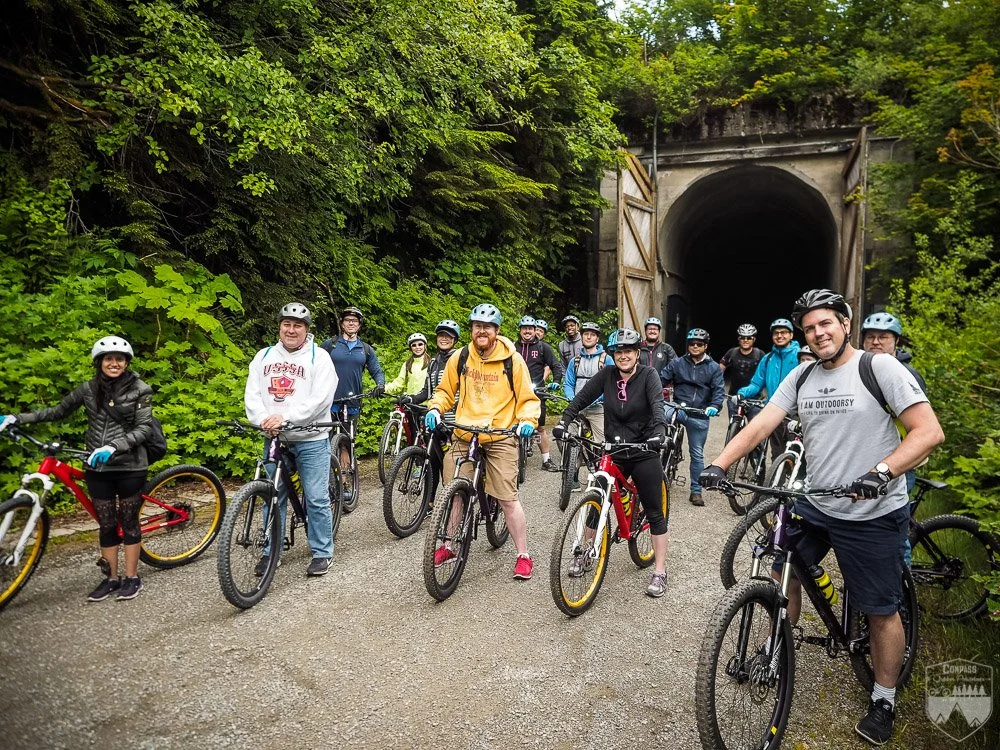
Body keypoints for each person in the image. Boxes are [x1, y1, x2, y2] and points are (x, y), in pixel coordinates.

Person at [700, 289, 944, 746]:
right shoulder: (802, 374)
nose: (818, 333)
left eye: (826, 324)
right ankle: (777, 650)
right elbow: (761, 425)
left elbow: (928, 431)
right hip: (819, 500)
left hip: (871, 509)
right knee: (780, 572)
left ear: (845, 325)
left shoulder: (878, 368)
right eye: (809, 328)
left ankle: (884, 696)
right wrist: (720, 463)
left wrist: (882, 471)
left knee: (879, 611)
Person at [1, 337, 155, 601]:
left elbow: (144, 429)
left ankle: (132, 578)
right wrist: (18, 418)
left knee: (128, 522)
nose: (114, 363)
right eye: (108, 359)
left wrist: (113, 447)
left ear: (127, 363)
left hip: (130, 466)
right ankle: (111, 579)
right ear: (99, 362)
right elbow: (57, 411)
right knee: (106, 524)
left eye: (120, 359)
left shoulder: (141, 389)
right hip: (97, 468)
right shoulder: (88, 389)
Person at [425, 304, 541, 580]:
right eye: (477, 326)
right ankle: (450, 544)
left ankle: (523, 554)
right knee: (454, 492)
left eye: (487, 327)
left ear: (497, 331)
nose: (481, 331)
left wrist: (527, 421)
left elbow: (528, 399)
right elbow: (444, 390)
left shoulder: (512, 361)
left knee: (507, 498)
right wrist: (434, 408)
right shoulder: (461, 356)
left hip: (500, 435)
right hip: (465, 433)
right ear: (472, 330)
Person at [553, 328, 670, 597]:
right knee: (597, 497)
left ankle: (660, 571)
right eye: (619, 352)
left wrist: (659, 433)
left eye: (628, 351)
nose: (624, 356)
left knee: (654, 511)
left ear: (637, 354)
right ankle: (584, 552)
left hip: (643, 449)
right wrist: (564, 421)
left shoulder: (648, 375)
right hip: (614, 448)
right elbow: (581, 399)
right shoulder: (607, 375)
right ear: (613, 355)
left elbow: (657, 405)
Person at [245, 303, 338, 576]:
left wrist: (286, 418)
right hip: (274, 437)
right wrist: (262, 418)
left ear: (306, 330)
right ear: (279, 326)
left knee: (316, 496)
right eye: (287, 324)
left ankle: (322, 551)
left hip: (311, 437)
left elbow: (320, 398)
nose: (291, 329)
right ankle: (270, 551)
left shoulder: (318, 358)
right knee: (272, 495)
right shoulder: (263, 356)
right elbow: (252, 394)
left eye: (298, 325)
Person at [321, 306, 386, 502]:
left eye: (355, 321)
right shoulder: (330, 345)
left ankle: (345, 483)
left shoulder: (365, 349)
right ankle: (324, 486)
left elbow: (377, 370)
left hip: (353, 403)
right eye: (348, 320)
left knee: (345, 445)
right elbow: (312, 362)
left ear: (359, 325)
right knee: (324, 445)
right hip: (328, 402)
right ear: (342, 323)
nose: (351, 323)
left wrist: (380, 385)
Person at [659, 328, 725, 506]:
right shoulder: (678, 363)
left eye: (699, 344)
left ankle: (696, 491)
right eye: (691, 343)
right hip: (678, 408)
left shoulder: (713, 368)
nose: (695, 346)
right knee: (659, 438)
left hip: (700, 413)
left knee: (696, 454)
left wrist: (714, 406)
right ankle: (658, 474)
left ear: (705, 346)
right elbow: (661, 379)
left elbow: (719, 391)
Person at [410, 320, 462, 505]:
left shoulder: (460, 359)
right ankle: (430, 503)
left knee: (450, 462)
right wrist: (412, 399)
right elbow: (427, 390)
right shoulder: (432, 362)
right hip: (434, 418)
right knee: (431, 460)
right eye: (441, 336)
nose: (444, 339)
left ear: (455, 339)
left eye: (448, 336)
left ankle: (452, 501)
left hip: (454, 420)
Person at [737, 318, 801, 458]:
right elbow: (756, 384)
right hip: (774, 412)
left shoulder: (800, 356)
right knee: (777, 455)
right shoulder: (767, 358)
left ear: (791, 335)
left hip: (794, 415)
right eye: (776, 333)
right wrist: (742, 393)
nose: (779, 336)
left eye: (784, 332)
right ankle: (776, 480)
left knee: (796, 456)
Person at [561, 321, 613, 489]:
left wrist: (601, 397)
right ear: (581, 336)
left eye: (592, 334)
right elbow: (568, 383)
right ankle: (572, 479)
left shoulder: (607, 359)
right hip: (579, 409)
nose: (588, 336)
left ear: (597, 338)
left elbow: (612, 382)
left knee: (602, 444)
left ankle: (602, 477)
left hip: (598, 408)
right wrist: (571, 398)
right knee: (573, 442)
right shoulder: (575, 361)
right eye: (585, 334)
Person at [516, 315, 565, 471]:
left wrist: (556, 381)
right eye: (524, 328)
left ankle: (546, 460)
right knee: (511, 426)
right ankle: (511, 460)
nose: (527, 331)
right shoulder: (512, 348)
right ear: (520, 330)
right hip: (515, 393)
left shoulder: (543, 347)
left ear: (534, 330)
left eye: (530, 328)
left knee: (540, 428)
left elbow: (556, 366)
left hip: (537, 393)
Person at [860, 313, 927, 394]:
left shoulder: (908, 374)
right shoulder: (855, 369)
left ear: (897, 340)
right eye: (870, 337)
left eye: (883, 337)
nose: (875, 342)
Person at [719, 324, 765, 417]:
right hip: (734, 397)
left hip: (754, 399)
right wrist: (718, 388)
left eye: (749, 338)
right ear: (739, 339)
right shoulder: (732, 352)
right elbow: (719, 371)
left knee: (754, 428)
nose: (745, 340)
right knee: (734, 427)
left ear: (754, 339)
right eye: (743, 337)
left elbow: (767, 374)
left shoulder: (760, 354)